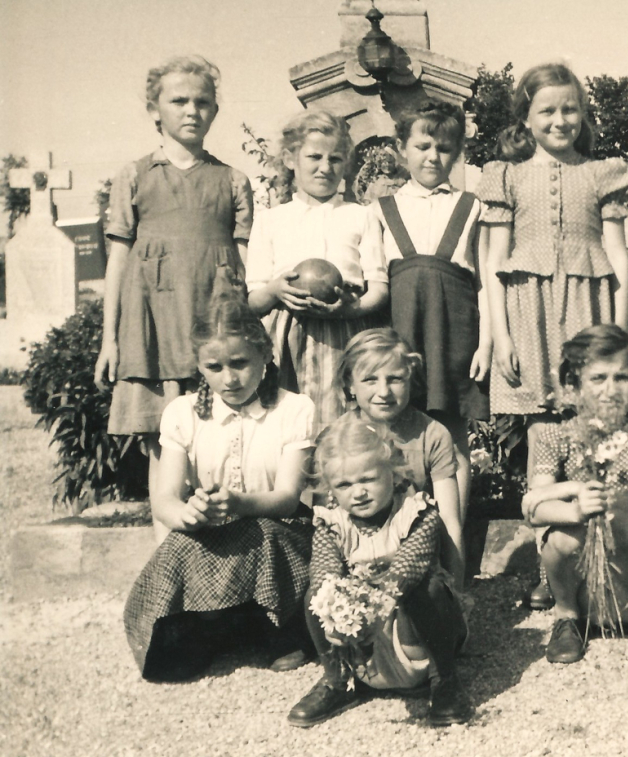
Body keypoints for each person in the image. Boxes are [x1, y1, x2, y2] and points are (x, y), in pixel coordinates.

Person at [477, 62, 628, 608]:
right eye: (546, 109)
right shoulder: (505, 176)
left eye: (570, 108)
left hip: (588, 311)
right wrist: (500, 336)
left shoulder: (602, 173)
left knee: (594, 423)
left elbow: (617, 256)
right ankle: (552, 562)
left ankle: (600, 556)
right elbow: (494, 264)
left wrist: (619, 326)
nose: (560, 119)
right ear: (525, 116)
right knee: (545, 433)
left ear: (583, 112)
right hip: (529, 315)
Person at [123, 293, 316, 681]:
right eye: (214, 366)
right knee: (179, 547)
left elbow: (286, 499)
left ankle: (275, 629)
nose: (229, 378)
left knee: (261, 533)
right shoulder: (182, 413)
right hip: (214, 533)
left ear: (265, 355)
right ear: (199, 366)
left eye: (240, 363)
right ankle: (214, 629)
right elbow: (164, 498)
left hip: (280, 533)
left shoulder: (293, 408)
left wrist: (241, 503)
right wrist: (186, 513)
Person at [94, 55, 253, 521]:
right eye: (178, 100)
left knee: (220, 443)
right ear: (154, 109)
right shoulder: (136, 176)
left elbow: (247, 268)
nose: (191, 111)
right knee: (165, 448)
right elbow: (118, 263)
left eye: (202, 102)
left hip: (214, 333)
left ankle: (220, 564)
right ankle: (168, 558)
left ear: (215, 112)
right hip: (155, 334)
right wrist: (110, 340)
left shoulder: (232, 180)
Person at [361, 101, 490, 555]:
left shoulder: (473, 207)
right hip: (402, 334)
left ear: (457, 153)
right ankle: (400, 544)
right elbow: (374, 286)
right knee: (395, 432)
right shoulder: (381, 210)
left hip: (455, 334)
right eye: (422, 145)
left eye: (444, 148)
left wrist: (487, 344)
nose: (433, 156)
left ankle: (452, 549)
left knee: (452, 435)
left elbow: (485, 283)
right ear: (402, 149)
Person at [287, 414, 472, 728]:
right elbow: (324, 571)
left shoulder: (415, 513)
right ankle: (337, 679)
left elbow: (408, 569)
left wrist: (374, 605)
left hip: (415, 629)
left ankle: (445, 679)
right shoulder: (333, 524)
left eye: (368, 479)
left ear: (392, 472)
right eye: (344, 484)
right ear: (331, 488)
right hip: (363, 642)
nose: (358, 492)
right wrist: (335, 609)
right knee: (316, 595)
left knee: (426, 589)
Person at [522, 324, 628, 665]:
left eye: (622, 378)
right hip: (579, 563)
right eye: (598, 378)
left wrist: (610, 499)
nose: (610, 390)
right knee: (559, 537)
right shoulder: (556, 437)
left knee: (624, 524)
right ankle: (567, 614)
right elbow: (535, 508)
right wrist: (575, 504)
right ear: (575, 385)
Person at [247, 110, 389, 427]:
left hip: (346, 328)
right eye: (314, 156)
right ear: (289, 158)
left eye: (336, 159)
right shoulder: (270, 219)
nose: (325, 167)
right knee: (282, 419)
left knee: (342, 418)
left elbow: (379, 289)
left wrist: (350, 310)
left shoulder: (361, 215)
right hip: (285, 331)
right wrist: (274, 290)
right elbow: (254, 301)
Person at [336, 329, 467, 587]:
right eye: (370, 380)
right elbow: (329, 522)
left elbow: (450, 520)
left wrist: (457, 592)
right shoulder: (338, 436)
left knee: (431, 594)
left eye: (395, 379)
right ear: (351, 383)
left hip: (417, 556)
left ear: (411, 380)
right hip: (356, 556)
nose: (383, 391)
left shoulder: (432, 434)